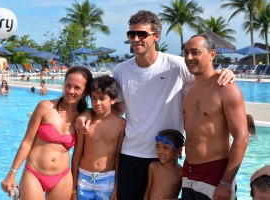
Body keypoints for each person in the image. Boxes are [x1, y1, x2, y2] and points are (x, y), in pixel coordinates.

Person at [75, 10, 235, 200]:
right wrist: (88, 112)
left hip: (166, 154)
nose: (135, 39)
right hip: (131, 153)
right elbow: (115, 108)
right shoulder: (121, 70)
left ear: (156, 36)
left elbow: (205, 81)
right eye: (131, 34)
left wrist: (225, 72)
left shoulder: (178, 65)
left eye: (141, 34)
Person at [1, 66, 93, 200]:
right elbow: (27, 142)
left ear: (85, 92)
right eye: (68, 85)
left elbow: (77, 156)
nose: (71, 91)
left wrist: (74, 189)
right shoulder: (45, 107)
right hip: (34, 174)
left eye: (77, 88)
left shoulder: (81, 118)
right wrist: (12, 173)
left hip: (62, 178)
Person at [182, 34, 248, 200]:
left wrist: (226, 182)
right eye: (186, 52)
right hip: (188, 171)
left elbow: (242, 138)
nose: (189, 57)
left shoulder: (226, 89)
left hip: (215, 173)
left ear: (212, 54)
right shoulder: (187, 88)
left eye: (195, 52)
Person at [71, 75, 125, 200]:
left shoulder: (121, 125)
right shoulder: (85, 123)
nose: (97, 103)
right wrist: (73, 189)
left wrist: (116, 186)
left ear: (113, 100)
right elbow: (76, 155)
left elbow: (118, 156)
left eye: (102, 98)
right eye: (93, 98)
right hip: (84, 178)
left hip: (107, 179)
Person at [144, 129, 185, 200]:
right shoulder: (153, 166)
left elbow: (187, 196)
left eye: (165, 148)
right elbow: (148, 189)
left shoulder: (181, 173)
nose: (160, 151)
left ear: (178, 150)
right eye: (158, 147)